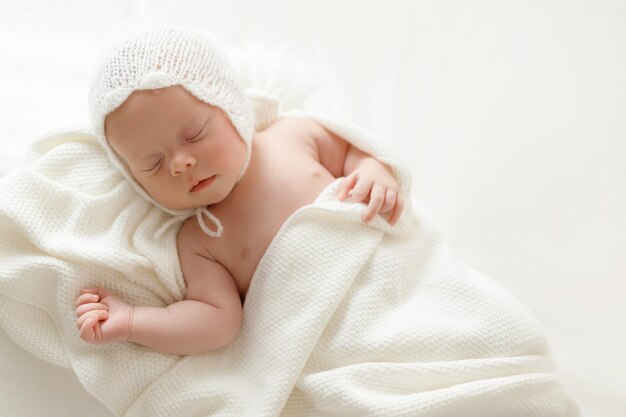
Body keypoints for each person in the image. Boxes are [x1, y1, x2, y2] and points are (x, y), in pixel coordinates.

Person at [75, 27, 405, 355]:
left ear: (229, 105)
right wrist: (133, 321)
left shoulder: (291, 135)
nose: (180, 164)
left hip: (394, 275)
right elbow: (217, 322)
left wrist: (372, 171)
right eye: (152, 165)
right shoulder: (199, 241)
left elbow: (353, 151)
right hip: (337, 338)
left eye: (195, 134)